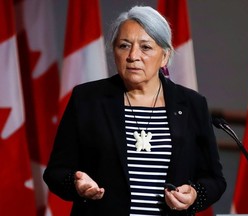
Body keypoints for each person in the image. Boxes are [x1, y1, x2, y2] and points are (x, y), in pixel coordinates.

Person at [43, 5, 226, 216]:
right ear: (114, 51)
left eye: (146, 47)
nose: (133, 56)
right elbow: (56, 172)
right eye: (124, 45)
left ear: (165, 56)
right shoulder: (87, 99)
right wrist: (76, 185)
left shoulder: (192, 105)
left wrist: (195, 195)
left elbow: (214, 179)